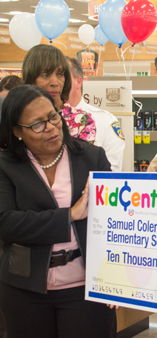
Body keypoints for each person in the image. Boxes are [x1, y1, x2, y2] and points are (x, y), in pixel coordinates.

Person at [0, 85, 115, 338]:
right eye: (37, 124)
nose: (51, 127)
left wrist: (116, 277)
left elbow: (113, 220)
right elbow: (6, 223)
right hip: (25, 290)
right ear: (17, 131)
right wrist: (69, 215)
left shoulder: (91, 157)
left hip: (85, 288)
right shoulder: (6, 165)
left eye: (53, 116)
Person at [22, 45, 96, 144]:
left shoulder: (82, 120)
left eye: (60, 74)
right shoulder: (20, 116)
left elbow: (87, 158)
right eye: (45, 75)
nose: (55, 83)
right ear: (31, 79)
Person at [66, 57, 125, 172]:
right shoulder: (49, 120)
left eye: (63, 77)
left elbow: (112, 171)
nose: (57, 83)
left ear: (78, 82)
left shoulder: (105, 121)